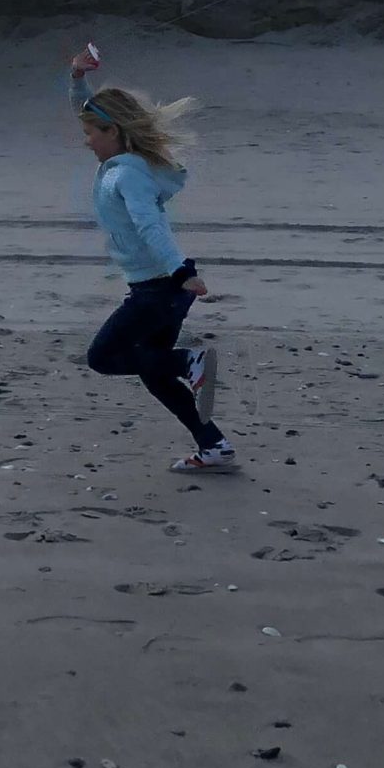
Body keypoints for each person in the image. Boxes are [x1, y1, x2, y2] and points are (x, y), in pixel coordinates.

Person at [67, 42, 237, 474]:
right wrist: (77, 79)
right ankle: (212, 444)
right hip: (165, 288)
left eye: (91, 134)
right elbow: (86, 111)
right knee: (153, 371)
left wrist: (182, 272)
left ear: (114, 133)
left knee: (103, 358)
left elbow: (151, 227)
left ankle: (190, 361)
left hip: (160, 289)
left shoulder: (126, 176)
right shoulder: (128, 163)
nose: (85, 141)